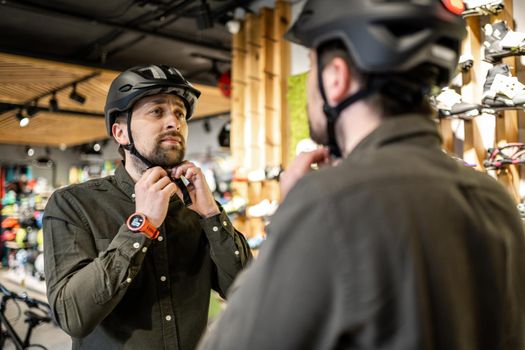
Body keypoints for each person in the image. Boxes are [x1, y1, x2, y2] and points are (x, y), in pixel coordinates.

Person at [197, 0, 525, 349]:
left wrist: (286, 220)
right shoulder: (493, 199)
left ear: (336, 78)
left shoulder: (328, 202)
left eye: (312, 68)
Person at [43, 64, 252, 350]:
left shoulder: (194, 207)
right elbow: (72, 316)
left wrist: (212, 214)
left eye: (180, 113)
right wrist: (142, 225)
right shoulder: (73, 204)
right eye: (157, 111)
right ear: (120, 133)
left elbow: (245, 291)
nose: (174, 123)